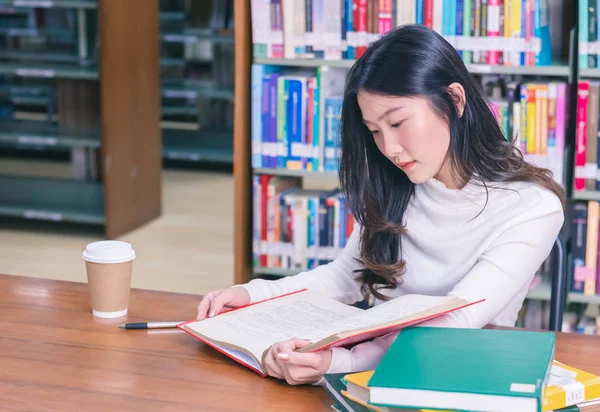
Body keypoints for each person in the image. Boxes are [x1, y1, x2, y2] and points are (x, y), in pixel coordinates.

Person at [196, 24, 566, 386]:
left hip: (466, 377)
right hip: (371, 373)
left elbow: (455, 321)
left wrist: (341, 361)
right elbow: (346, 276)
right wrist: (250, 295)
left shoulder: (532, 207)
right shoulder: (399, 185)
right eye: (374, 131)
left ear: (454, 100)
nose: (388, 149)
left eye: (398, 122)